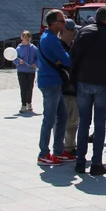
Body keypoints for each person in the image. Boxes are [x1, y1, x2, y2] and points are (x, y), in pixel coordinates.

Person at [69, 6, 106, 175]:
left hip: (83, 82)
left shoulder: (83, 32)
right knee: (100, 123)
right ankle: (96, 163)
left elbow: (73, 57)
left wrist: (74, 80)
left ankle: (80, 162)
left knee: (84, 122)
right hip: (103, 83)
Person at [36, 11, 71, 166]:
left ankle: (58, 150)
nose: (65, 24)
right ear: (53, 23)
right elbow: (66, 59)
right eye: (62, 21)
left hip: (51, 81)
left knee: (62, 116)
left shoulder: (47, 37)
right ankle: (44, 153)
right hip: (51, 83)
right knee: (49, 119)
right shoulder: (51, 39)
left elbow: (61, 59)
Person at [59, 19, 80, 160]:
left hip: (73, 89)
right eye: (73, 30)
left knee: (73, 121)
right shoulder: (61, 48)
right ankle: (67, 149)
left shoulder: (70, 46)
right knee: (69, 122)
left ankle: (69, 147)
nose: (75, 33)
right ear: (65, 30)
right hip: (67, 90)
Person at [13, 31, 38, 113]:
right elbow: (14, 58)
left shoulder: (33, 48)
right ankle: (23, 104)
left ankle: (29, 103)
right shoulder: (18, 48)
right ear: (22, 38)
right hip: (21, 71)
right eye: (25, 38)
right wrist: (18, 62)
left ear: (30, 39)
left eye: (28, 38)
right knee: (23, 88)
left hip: (31, 71)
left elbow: (38, 57)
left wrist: (35, 64)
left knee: (30, 87)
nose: (27, 40)